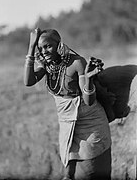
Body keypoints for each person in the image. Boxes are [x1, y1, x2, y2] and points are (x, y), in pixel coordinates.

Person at [24, 28, 112, 180]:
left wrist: (89, 79)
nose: (44, 51)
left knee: (90, 171)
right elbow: (28, 81)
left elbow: (89, 101)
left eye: (48, 46)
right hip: (67, 125)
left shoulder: (77, 62)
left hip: (90, 123)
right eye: (41, 47)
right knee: (69, 173)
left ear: (59, 45)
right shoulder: (48, 65)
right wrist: (31, 47)